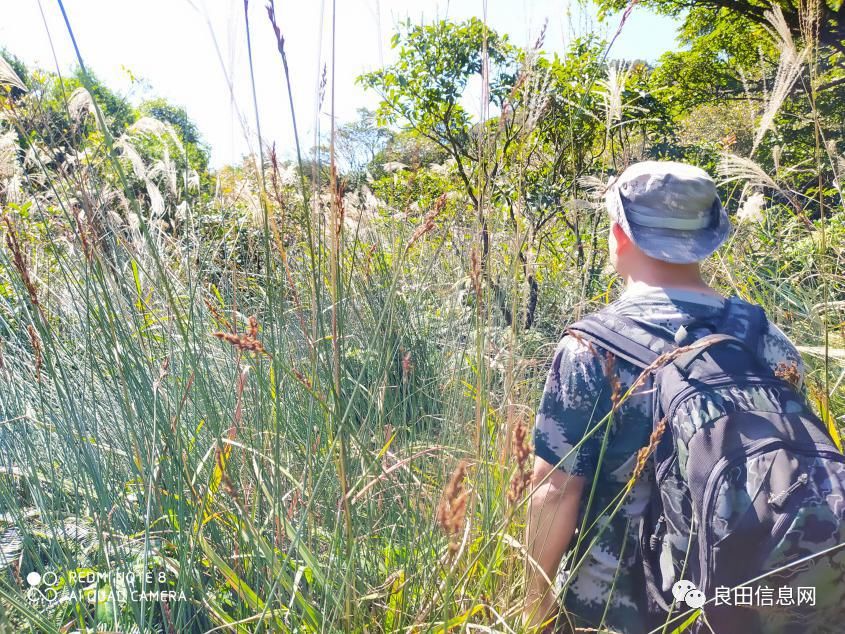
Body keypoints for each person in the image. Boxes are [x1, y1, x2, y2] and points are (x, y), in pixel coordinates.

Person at [523, 161, 806, 633]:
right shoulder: (765, 336)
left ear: (620, 233)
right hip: (748, 605)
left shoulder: (591, 346)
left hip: (614, 610)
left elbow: (554, 491)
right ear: (711, 233)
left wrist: (534, 611)